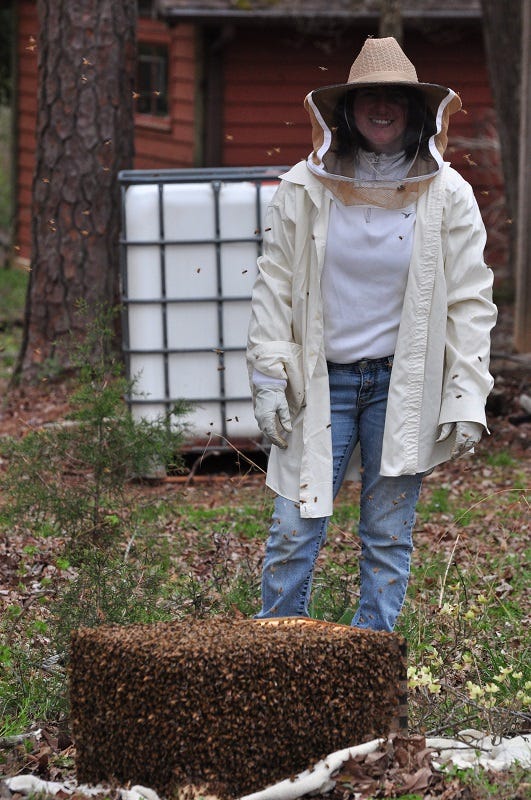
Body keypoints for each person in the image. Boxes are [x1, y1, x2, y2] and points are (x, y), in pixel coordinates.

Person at [246, 36, 497, 632]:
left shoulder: (449, 194)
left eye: (395, 98)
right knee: (293, 529)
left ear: (415, 111)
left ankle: (370, 666)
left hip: (401, 383)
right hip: (320, 380)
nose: (381, 108)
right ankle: (276, 663)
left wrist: (466, 393)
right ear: (346, 110)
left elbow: (469, 299)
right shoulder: (303, 188)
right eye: (368, 98)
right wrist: (267, 372)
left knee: (387, 533)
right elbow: (273, 284)